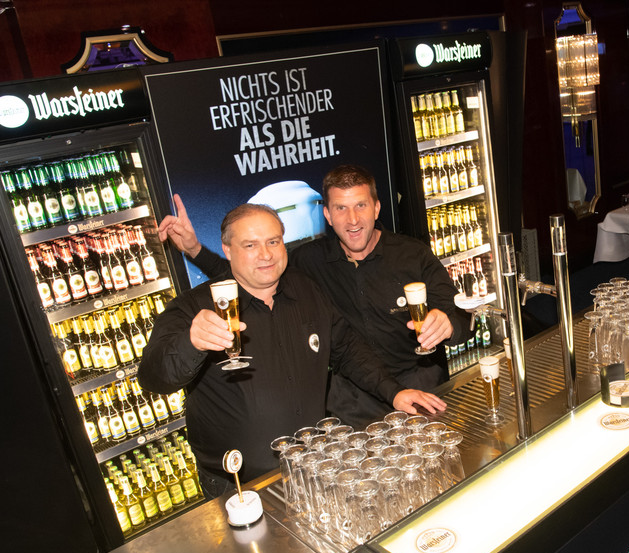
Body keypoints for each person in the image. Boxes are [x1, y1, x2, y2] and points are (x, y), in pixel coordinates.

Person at [140, 203, 446, 497]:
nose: (265, 254)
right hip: (238, 486)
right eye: (250, 245)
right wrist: (191, 343)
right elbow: (153, 378)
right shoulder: (193, 307)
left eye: (273, 241)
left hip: (314, 466)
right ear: (228, 250)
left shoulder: (306, 290)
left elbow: (347, 349)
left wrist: (393, 392)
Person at [159, 165, 469, 428]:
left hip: (421, 396)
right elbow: (253, 273)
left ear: (376, 208)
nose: (352, 219)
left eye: (361, 206)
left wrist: (449, 324)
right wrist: (195, 250)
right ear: (327, 215)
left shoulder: (413, 254)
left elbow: (462, 316)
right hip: (352, 411)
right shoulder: (308, 260)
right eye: (341, 209)